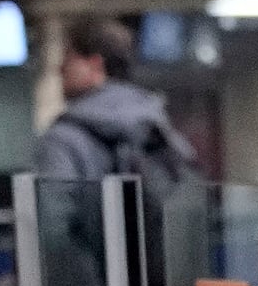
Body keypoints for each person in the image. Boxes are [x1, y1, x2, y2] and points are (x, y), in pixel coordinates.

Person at [32, 14, 202, 189]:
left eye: (68, 60)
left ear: (94, 65)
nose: (60, 70)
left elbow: (54, 211)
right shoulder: (158, 128)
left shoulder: (62, 139)